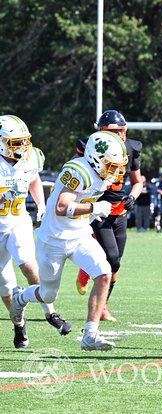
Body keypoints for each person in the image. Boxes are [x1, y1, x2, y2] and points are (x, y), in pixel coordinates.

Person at [10, 130, 128, 351]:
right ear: (96, 158)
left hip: (79, 234)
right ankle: (21, 297)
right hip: (53, 240)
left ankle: (90, 336)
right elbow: (62, 207)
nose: (116, 171)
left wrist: (92, 213)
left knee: (104, 273)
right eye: (111, 165)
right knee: (47, 294)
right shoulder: (78, 170)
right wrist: (95, 207)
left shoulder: (99, 173)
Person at [0, 115, 71, 349]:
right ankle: (18, 324)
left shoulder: (30, 156)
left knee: (30, 267)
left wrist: (40, 205)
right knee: (6, 287)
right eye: (16, 142)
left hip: (18, 221)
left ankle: (51, 314)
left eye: (24, 141)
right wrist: (7, 194)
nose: (22, 146)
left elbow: (34, 179)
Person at [74, 110, 143, 322]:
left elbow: (138, 181)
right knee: (111, 257)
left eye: (119, 131)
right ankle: (97, 296)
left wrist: (132, 196)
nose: (115, 135)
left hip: (119, 210)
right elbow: (73, 169)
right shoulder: (89, 146)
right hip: (97, 210)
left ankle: (103, 304)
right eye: (109, 132)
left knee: (116, 263)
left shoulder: (131, 147)